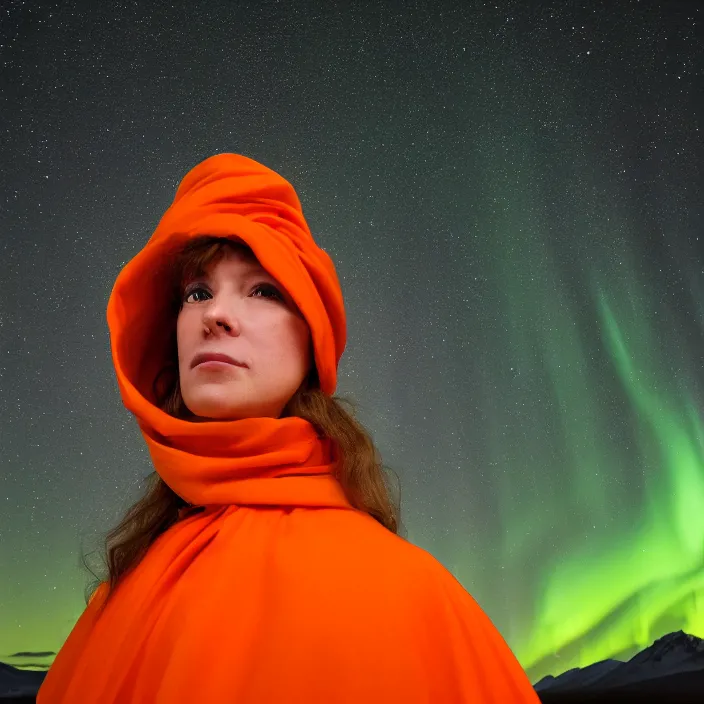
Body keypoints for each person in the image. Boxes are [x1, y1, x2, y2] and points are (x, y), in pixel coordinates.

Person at [37, 153, 540, 703]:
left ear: (313, 343)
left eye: (262, 291)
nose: (215, 315)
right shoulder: (126, 584)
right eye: (197, 293)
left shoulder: (403, 590)